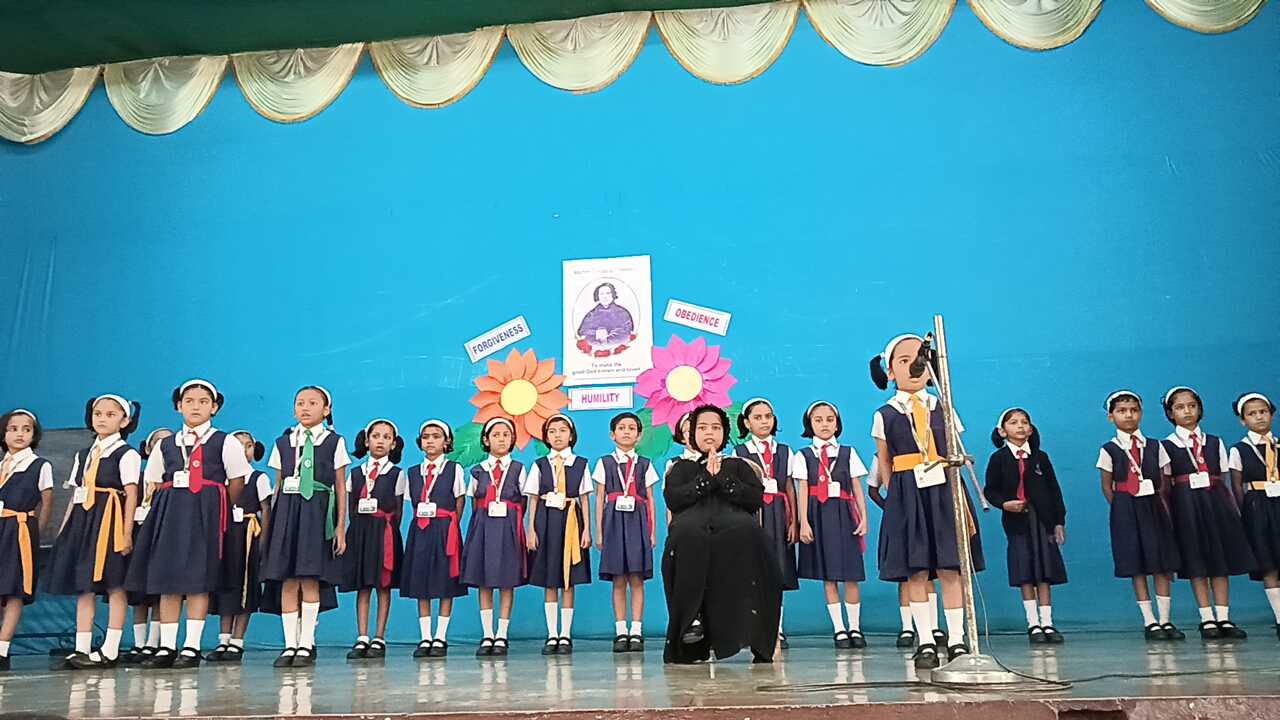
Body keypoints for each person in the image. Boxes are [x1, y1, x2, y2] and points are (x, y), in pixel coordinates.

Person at [869, 334, 985, 669]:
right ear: (890, 371)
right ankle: (926, 641)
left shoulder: (942, 406)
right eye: (903, 361)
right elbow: (885, 460)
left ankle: (958, 639)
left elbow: (954, 448)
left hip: (944, 491)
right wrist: (896, 501)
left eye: (919, 359)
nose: (913, 367)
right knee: (916, 570)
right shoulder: (885, 414)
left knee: (950, 567)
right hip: (908, 492)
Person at [127, 379, 251, 669]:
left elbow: (236, 481)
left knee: (198, 580)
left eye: (203, 402)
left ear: (214, 408)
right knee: (169, 580)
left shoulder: (225, 442)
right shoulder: (166, 444)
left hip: (206, 515)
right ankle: (166, 646)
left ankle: (192, 646)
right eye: (190, 401)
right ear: (178, 406)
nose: (196, 407)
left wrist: (215, 503)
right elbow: (153, 481)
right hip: (171, 514)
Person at [662, 404, 782, 664]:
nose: (709, 433)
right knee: (687, 534)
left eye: (715, 428)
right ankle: (692, 621)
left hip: (734, 524)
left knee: (750, 532)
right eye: (703, 428)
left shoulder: (738, 465)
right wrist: (705, 477)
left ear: (725, 433)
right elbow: (674, 499)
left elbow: (754, 499)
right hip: (692, 526)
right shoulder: (681, 468)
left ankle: (753, 629)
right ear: (692, 433)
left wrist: (724, 479)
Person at [45, 394, 142, 669]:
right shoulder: (83, 454)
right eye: (98, 413)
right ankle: (81, 648)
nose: (102, 419)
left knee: (114, 583)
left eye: (111, 414)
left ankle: (110, 649)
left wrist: (126, 533)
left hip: (109, 520)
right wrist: (65, 530)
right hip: (83, 521)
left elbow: (131, 494)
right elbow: (77, 493)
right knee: (84, 585)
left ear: (125, 421)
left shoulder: (126, 453)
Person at [261, 385, 349, 668]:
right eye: (300, 403)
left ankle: (307, 643)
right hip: (288, 513)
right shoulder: (283, 443)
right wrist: (273, 527)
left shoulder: (334, 442)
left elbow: (340, 486)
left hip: (317, 513)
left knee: (310, 578)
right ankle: (290, 644)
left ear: (326, 410)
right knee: (288, 579)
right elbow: (277, 485)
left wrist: (340, 526)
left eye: (313, 403)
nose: (305, 408)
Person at [1160, 386, 1254, 639]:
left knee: (1220, 562)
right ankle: (1207, 618)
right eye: (1180, 407)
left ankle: (1224, 617)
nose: (1187, 411)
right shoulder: (1166, 446)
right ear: (1170, 413)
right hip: (1186, 508)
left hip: (1215, 504)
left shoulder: (1214, 442)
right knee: (1197, 561)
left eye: (1192, 406)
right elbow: (1165, 485)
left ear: (1200, 409)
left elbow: (1223, 477)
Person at [1096, 390, 1184, 641]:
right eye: (1121, 411)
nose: (1128, 415)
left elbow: (1165, 481)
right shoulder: (1109, 449)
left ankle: (1165, 619)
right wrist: (1122, 505)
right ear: (1111, 417)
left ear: (1141, 414)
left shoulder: (1155, 446)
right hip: (1126, 509)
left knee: (1161, 563)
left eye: (1133, 410)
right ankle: (1150, 621)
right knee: (1137, 564)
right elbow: (1106, 485)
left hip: (1154, 506)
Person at [983, 408, 1067, 644]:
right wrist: (1004, 504)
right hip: (1017, 523)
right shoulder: (999, 459)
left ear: (1031, 429)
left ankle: (1047, 622)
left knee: (1044, 571)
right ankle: (1033, 624)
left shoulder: (1041, 458)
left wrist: (1059, 521)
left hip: (1043, 522)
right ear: (1002, 431)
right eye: (1013, 422)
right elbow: (990, 490)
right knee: (1025, 572)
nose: (1020, 426)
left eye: (1024, 422)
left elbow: (1054, 491)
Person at [792, 401, 870, 650]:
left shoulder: (848, 453)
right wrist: (804, 522)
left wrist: (863, 517)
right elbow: (802, 489)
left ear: (837, 425)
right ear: (809, 424)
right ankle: (839, 629)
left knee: (851, 575)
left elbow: (857, 487)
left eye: (829, 420)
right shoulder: (804, 455)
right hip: (818, 516)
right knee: (829, 575)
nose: (824, 424)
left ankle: (855, 627)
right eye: (818, 420)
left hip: (844, 514)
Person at [524, 414, 593, 655]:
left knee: (568, 580)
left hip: (571, 522)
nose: (557, 435)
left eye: (562, 430)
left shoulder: (580, 464)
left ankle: (565, 634)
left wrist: (587, 529)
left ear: (571, 435)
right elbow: (533, 499)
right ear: (546, 437)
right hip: (546, 522)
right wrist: (531, 529)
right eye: (552, 431)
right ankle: (552, 634)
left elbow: (585, 498)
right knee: (549, 579)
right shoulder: (540, 465)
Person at [732, 398, 797, 648]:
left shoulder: (785, 451)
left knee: (777, 571)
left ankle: (776, 629)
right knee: (753, 573)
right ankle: (755, 628)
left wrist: (794, 522)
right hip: (753, 516)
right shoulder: (739, 453)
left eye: (768, 416)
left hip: (779, 515)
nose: (764, 421)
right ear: (747, 423)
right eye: (757, 417)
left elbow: (789, 487)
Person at [400, 420, 467, 659]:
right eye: (426, 437)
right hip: (420, 531)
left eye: (436, 436)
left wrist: (451, 525)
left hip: (445, 529)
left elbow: (460, 500)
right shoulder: (412, 473)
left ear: (446, 442)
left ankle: (440, 636)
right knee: (422, 583)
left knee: (445, 583)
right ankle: (425, 636)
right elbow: (411, 503)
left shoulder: (454, 469)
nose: (430, 441)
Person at [593, 412, 659, 653]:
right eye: (621, 428)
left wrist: (652, 531)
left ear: (639, 436)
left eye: (632, 428)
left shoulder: (645, 464)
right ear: (612, 435)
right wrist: (599, 531)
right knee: (618, 579)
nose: (627, 432)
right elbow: (599, 498)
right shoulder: (604, 463)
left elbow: (651, 499)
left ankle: (637, 630)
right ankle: (621, 630)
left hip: (637, 521)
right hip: (613, 522)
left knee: (637, 578)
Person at [461, 417, 527, 657]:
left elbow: (524, 501)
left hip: (508, 528)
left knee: (507, 580)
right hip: (483, 527)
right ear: (486, 440)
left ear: (512, 440)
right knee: (484, 580)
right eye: (496, 435)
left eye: (506, 435)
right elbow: (473, 502)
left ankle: (502, 634)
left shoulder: (518, 469)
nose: (501, 439)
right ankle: (487, 633)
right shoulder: (478, 471)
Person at [342, 419, 407, 660]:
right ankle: (362, 636)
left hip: (384, 534)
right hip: (360, 532)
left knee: (383, 585)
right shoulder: (355, 473)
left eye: (386, 437)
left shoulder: (397, 474)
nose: (380, 441)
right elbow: (350, 507)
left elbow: (398, 511)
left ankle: (379, 636)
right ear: (366, 441)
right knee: (363, 585)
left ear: (393, 444)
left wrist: (386, 529)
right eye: (376, 436)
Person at [206, 431, 273, 663]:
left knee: (245, 587)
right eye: (238, 445)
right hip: (225, 535)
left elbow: (266, 510)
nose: (244, 450)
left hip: (248, 535)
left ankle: (237, 641)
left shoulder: (258, 478)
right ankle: (223, 639)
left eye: (248, 445)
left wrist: (263, 541)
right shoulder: (222, 478)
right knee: (225, 586)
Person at [0, 409, 53, 672]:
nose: (19, 434)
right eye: (13, 429)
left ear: (34, 434)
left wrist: (35, 532)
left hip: (19, 530)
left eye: (26, 429)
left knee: (14, 590)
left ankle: (2, 649)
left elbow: (47, 503)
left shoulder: (39, 465)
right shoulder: (2, 465)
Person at [1228, 392, 1280, 639]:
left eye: (1263, 412)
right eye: (1252, 414)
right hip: (1258, 506)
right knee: (1268, 562)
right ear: (1243, 420)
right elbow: (1236, 486)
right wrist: (1244, 513)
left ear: (1271, 415)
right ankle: (1279, 617)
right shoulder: (1239, 450)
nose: (1259, 417)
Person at [575, 282, 635, 354]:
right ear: (598, 296)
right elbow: (582, 331)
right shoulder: (592, 314)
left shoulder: (623, 313)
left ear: (613, 295)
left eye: (608, 293)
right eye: (602, 294)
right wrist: (596, 333)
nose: (605, 296)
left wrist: (607, 337)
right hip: (595, 349)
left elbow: (626, 331)